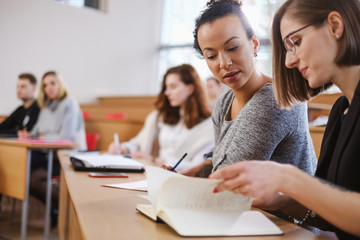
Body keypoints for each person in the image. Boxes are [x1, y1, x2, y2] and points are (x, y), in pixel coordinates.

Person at [210, 0, 360, 239]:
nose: (289, 61)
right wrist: (284, 201)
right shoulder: (341, 110)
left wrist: (290, 180)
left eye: (296, 42)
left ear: (334, 25)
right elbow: (329, 217)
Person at [172, 0, 316, 178]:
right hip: (242, 204)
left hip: (274, 206)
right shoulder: (224, 102)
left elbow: (228, 177)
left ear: (254, 44)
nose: (224, 63)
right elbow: (217, 161)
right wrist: (180, 175)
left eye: (232, 48)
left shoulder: (274, 99)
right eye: (211, 56)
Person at [108, 64, 214, 171]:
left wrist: (155, 160)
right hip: (154, 172)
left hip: (182, 176)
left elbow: (198, 166)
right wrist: (124, 148)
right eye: (166, 87)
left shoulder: (208, 125)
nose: (167, 93)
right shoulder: (160, 117)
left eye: (173, 87)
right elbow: (139, 142)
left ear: (190, 88)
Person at [18, 71, 86, 227]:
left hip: (69, 157)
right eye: (45, 85)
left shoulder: (70, 103)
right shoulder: (46, 105)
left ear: (60, 84)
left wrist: (43, 137)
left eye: (52, 83)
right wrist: (28, 135)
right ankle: (57, 207)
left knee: (32, 176)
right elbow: (36, 130)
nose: (48, 88)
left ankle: (68, 209)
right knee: (26, 175)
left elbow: (66, 137)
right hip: (49, 155)